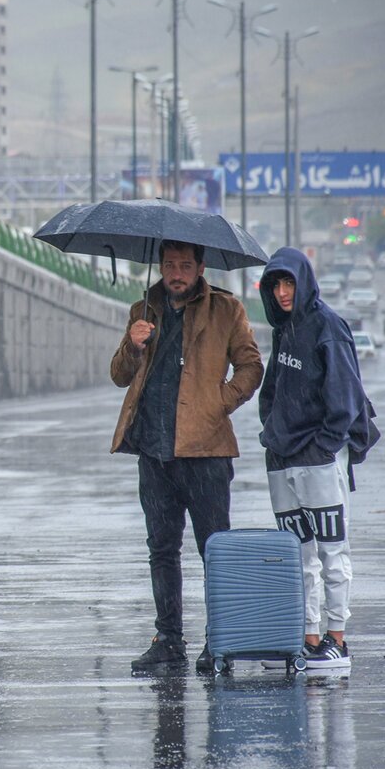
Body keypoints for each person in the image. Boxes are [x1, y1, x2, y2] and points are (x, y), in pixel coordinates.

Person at [110, 240, 264, 674]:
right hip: (153, 451)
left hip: (206, 452)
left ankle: (220, 640)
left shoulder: (226, 310)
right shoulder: (143, 311)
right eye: (169, 265)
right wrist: (133, 345)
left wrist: (218, 403)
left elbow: (251, 367)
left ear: (200, 268)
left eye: (184, 265)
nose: (175, 273)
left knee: (215, 550)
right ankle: (169, 640)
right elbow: (119, 375)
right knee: (161, 549)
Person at [258, 247, 371, 670]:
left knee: (331, 552)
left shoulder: (328, 326)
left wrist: (324, 446)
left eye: (289, 282)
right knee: (298, 556)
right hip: (282, 460)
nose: (282, 292)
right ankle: (308, 637)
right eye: (275, 285)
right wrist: (271, 432)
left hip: (319, 459)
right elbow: (271, 390)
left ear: (304, 281)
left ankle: (336, 639)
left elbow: (346, 397)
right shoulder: (283, 329)